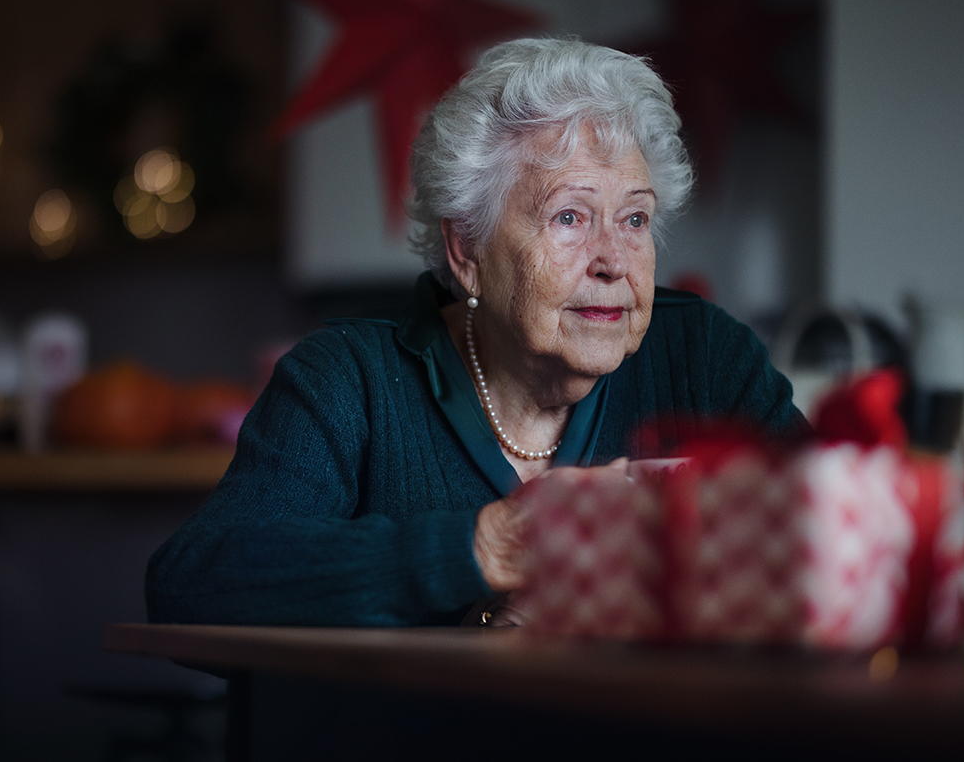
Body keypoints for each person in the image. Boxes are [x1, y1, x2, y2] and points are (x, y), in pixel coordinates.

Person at [146, 37, 808, 628]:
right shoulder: (349, 380)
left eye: (635, 220)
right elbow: (195, 581)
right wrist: (490, 548)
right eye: (570, 217)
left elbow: (838, 534)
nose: (613, 261)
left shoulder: (705, 357)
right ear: (466, 250)